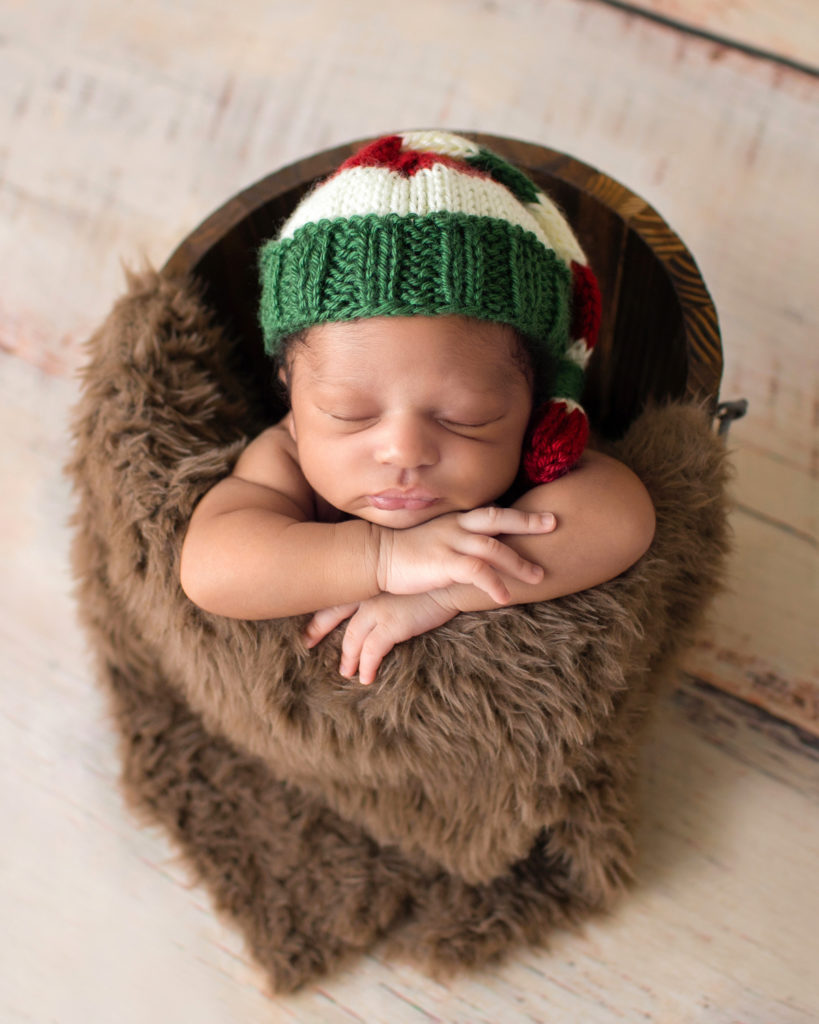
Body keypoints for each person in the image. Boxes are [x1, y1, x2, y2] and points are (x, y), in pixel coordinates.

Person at [180, 131, 656, 685]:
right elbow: (212, 570)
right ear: (289, 387)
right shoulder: (285, 456)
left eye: (466, 418)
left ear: (534, 399)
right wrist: (383, 558)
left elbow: (621, 519)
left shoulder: (534, 449)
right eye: (349, 413)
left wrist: (446, 589)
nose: (405, 450)